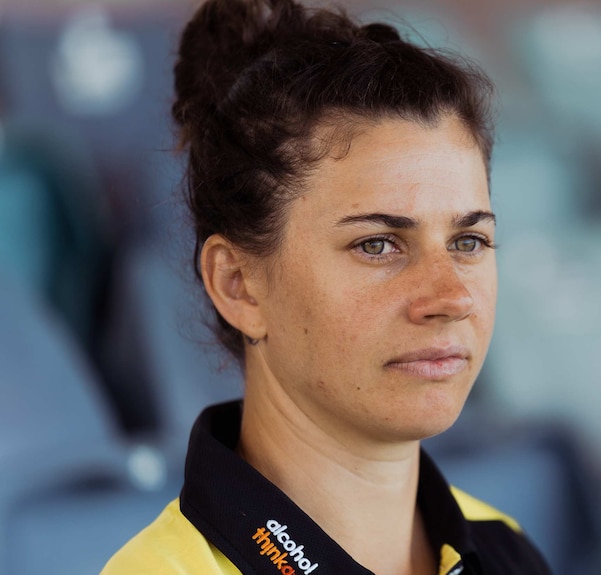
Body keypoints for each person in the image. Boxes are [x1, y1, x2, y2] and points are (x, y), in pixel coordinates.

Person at [101, 0, 551, 573]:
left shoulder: (506, 549)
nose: (452, 297)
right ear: (238, 285)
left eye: (468, 242)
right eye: (378, 245)